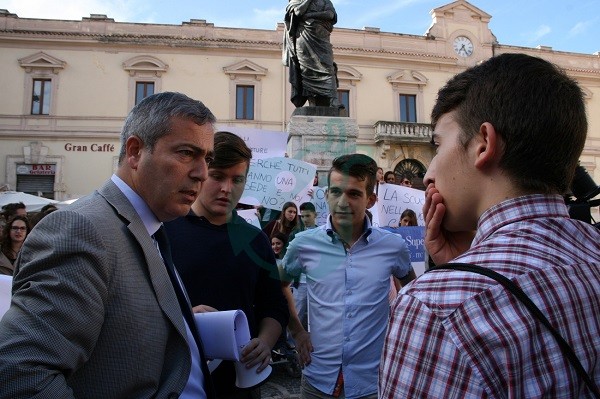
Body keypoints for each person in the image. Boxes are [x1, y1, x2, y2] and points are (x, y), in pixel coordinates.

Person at [379, 53, 600, 397]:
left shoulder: (434, 306)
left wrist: (454, 275)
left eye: (437, 144)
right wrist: (465, 264)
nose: (429, 172)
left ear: (483, 144)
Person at [0, 91, 217, 398]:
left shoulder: (151, 226)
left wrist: (178, 321)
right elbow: (21, 375)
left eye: (207, 158)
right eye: (186, 154)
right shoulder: (80, 229)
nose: (202, 173)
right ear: (135, 151)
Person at [164, 131, 288, 399]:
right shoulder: (163, 232)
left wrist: (265, 343)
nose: (227, 188)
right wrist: (184, 317)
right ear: (201, 172)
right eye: (218, 176)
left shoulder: (255, 240)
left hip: (240, 384)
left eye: (237, 179)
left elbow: (274, 307)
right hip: (176, 379)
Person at [282, 153, 416, 398]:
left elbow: (412, 290)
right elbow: (278, 285)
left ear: (371, 199)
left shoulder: (393, 246)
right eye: (335, 192)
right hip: (317, 380)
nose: (342, 202)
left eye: (354, 194)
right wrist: (297, 331)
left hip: (371, 382)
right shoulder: (303, 244)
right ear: (326, 195)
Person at [283, 0, 339, 108]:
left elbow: (330, 15)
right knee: (306, 71)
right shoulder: (296, 1)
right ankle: (312, 102)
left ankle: (333, 100)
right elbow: (298, 12)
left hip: (322, 39)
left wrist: (310, 15)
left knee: (328, 67)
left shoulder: (325, 1)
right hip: (304, 38)